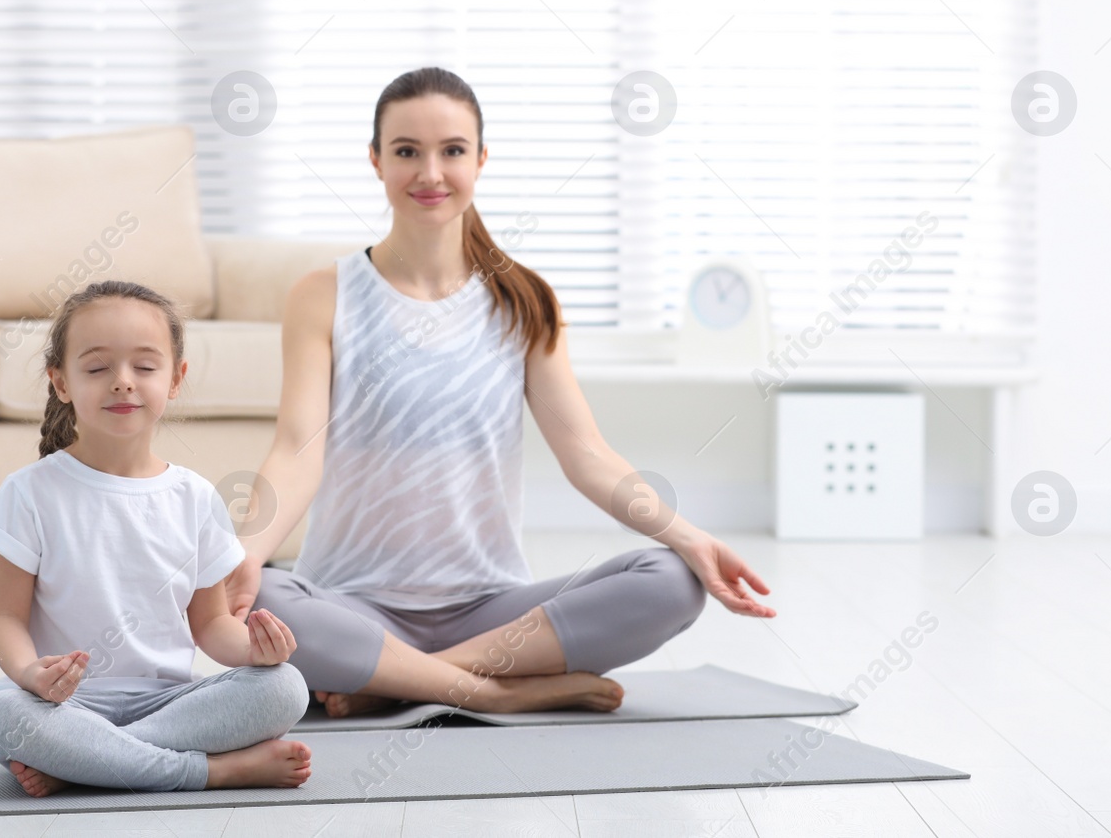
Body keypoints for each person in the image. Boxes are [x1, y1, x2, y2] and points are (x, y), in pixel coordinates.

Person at [224, 66, 777, 720]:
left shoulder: (525, 300)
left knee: (676, 581)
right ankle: (497, 690)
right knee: (266, 600)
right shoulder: (323, 294)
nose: (430, 172)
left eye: (452, 150)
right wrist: (246, 555)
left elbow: (588, 456)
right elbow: (297, 448)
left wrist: (691, 537)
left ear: (480, 159)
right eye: (407, 151)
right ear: (376, 161)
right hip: (354, 607)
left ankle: (409, 681)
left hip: (492, 613)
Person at [0, 280, 312, 797]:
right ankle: (213, 772)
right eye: (97, 367)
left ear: (175, 379)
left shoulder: (195, 497)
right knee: (5, 715)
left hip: (169, 702)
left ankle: (89, 761)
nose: (123, 383)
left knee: (285, 687)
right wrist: (29, 672)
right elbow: (7, 619)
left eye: (145, 367)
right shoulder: (29, 493)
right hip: (65, 703)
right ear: (60, 381)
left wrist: (255, 651)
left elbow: (213, 626)